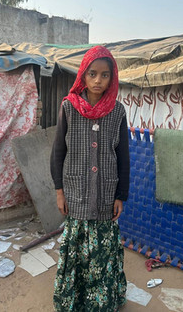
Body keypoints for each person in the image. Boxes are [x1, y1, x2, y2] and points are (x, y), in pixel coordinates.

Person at [50, 45, 130, 311]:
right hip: (76, 194)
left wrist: (121, 195)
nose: (98, 80)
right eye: (92, 74)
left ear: (112, 78)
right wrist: (59, 191)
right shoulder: (69, 107)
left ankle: (103, 302)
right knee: (77, 252)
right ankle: (75, 300)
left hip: (106, 197)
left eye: (105, 75)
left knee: (103, 253)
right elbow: (58, 152)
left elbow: (124, 157)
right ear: (83, 75)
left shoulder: (117, 112)